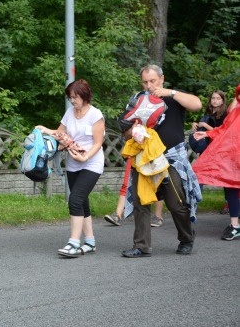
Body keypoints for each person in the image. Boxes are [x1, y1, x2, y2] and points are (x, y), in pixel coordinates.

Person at [121, 65, 202, 258]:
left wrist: (170, 92)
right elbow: (125, 130)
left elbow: (197, 104)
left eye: (153, 81)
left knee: (176, 203)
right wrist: (133, 132)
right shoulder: (137, 100)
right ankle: (142, 246)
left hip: (170, 159)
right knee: (141, 202)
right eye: (145, 82)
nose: (149, 85)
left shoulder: (173, 97)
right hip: (145, 158)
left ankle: (186, 238)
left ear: (162, 79)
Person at [36, 79, 105, 257]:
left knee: (74, 200)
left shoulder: (95, 115)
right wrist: (45, 130)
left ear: (84, 96)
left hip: (91, 162)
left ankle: (73, 243)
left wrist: (85, 156)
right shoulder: (70, 113)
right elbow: (60, 133)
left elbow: (98, 143)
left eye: (75, 97)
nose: (72, 101)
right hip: (73, 163)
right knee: (82, 202)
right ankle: (90, 242)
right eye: (70, 97)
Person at [192, 85, 239, 240]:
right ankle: (235, 225)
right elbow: (224, 129)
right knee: (231, 185)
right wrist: (206, 133)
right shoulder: (235, 111)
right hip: (234, 158)